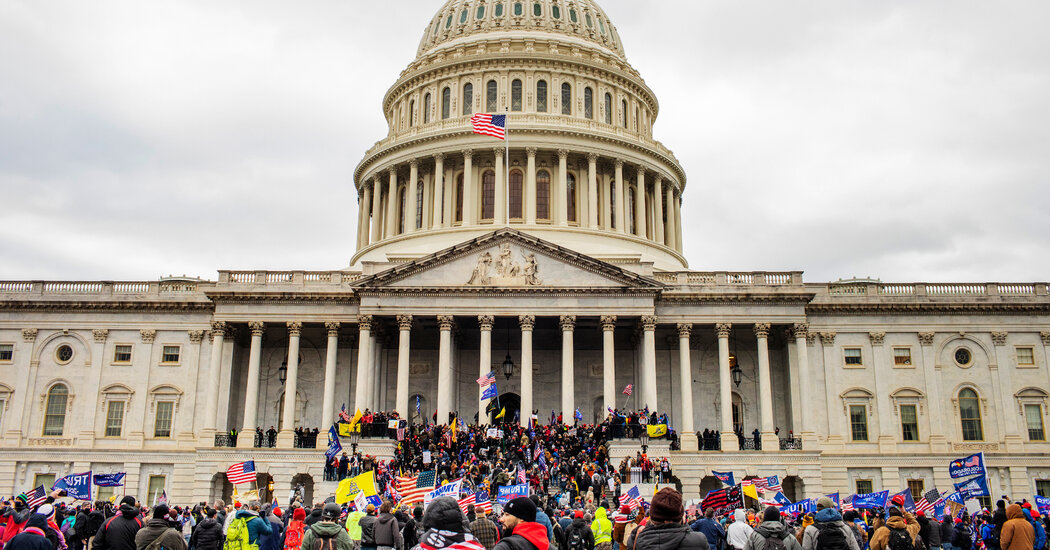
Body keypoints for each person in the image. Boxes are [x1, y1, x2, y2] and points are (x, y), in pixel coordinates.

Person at [624, 488, 708, 550]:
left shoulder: (636, 539)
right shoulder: (699, 541)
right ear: (681, 516)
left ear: (652, 515)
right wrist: (685, 526)